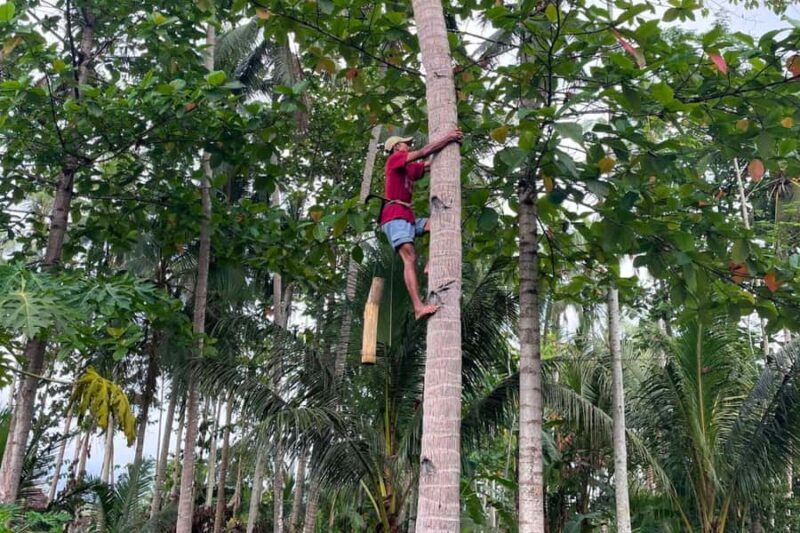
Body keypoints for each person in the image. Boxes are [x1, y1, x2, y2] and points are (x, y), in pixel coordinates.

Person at [380, 129, 463, 319]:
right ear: (396, 148)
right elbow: (425, 151)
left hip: (407, 216)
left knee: (441, 224)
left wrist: (454, 156)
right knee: (409, 257)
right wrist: (448, 137)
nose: (408, 146)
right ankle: (418, 307)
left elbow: (428, 165)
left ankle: (430, 263)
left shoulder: (407, 168)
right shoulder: (393, 160)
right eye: (404, 143)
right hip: (394, 216)